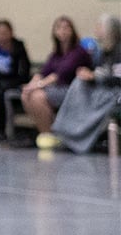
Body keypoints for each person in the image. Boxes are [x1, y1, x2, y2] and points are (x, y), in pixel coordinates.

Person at [43, 15, 121, 154]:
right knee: (79, 83)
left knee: (81, 88)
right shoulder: (104, 51)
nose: (96, 31)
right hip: (103, 88)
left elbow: (117, 78)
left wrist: (95, 77)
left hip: (114, 92)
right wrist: (89, 74)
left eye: (99, 27)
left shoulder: (118, 51)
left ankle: (77, 136)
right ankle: (65, 132)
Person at [21, 16, 92, 138]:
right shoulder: (56, 54)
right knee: (25, 95)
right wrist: (30, 85)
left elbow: (59, 75)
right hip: (57, 89)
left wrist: (37, 86)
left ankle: (51, 134)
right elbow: (43, 73)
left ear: (72, 30)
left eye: (66, 28)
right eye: (59, 28)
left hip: (74, 90)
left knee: (38, 97)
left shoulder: (79, 52)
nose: (62, 31)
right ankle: (45, 131)